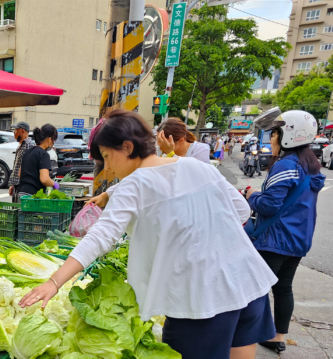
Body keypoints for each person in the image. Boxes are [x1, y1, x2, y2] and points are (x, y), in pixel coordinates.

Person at [20, 109, 277, 359]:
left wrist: (54, 282)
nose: (107, 167)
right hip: (248, 281)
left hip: (199, 301)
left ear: (128, 148)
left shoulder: (134, 184)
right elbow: (242, 210)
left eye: (108, 156)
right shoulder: (200, 167)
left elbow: (100, 237)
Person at [245, 110, 326, 353]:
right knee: (283, 288)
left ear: (289, 135)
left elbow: (269, 205)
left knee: (254, 288)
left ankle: (245, 339)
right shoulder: (310, 166)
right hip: (299, 239)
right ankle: (277, 336)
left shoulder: (286, 166)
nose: (271, 140)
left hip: (276, 240)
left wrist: (252, 196)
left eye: (274, 134)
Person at [17, 124, 59, 198]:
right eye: (53, 140)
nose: (53, 143)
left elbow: (19, 174)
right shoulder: (43, 154)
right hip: (33, 196)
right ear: (49, 139)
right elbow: (44, 179)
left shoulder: (28, 151)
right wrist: (54, 184)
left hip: (21, 193)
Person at [8, 122, 35, 203]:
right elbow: (17, 165)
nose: (14, 133)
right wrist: (13, 184)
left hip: (22, 185)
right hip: (17, 184)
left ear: (22, 131)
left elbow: (25, 166)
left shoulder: (28, 145)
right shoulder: (21, 145)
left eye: (16, 131)